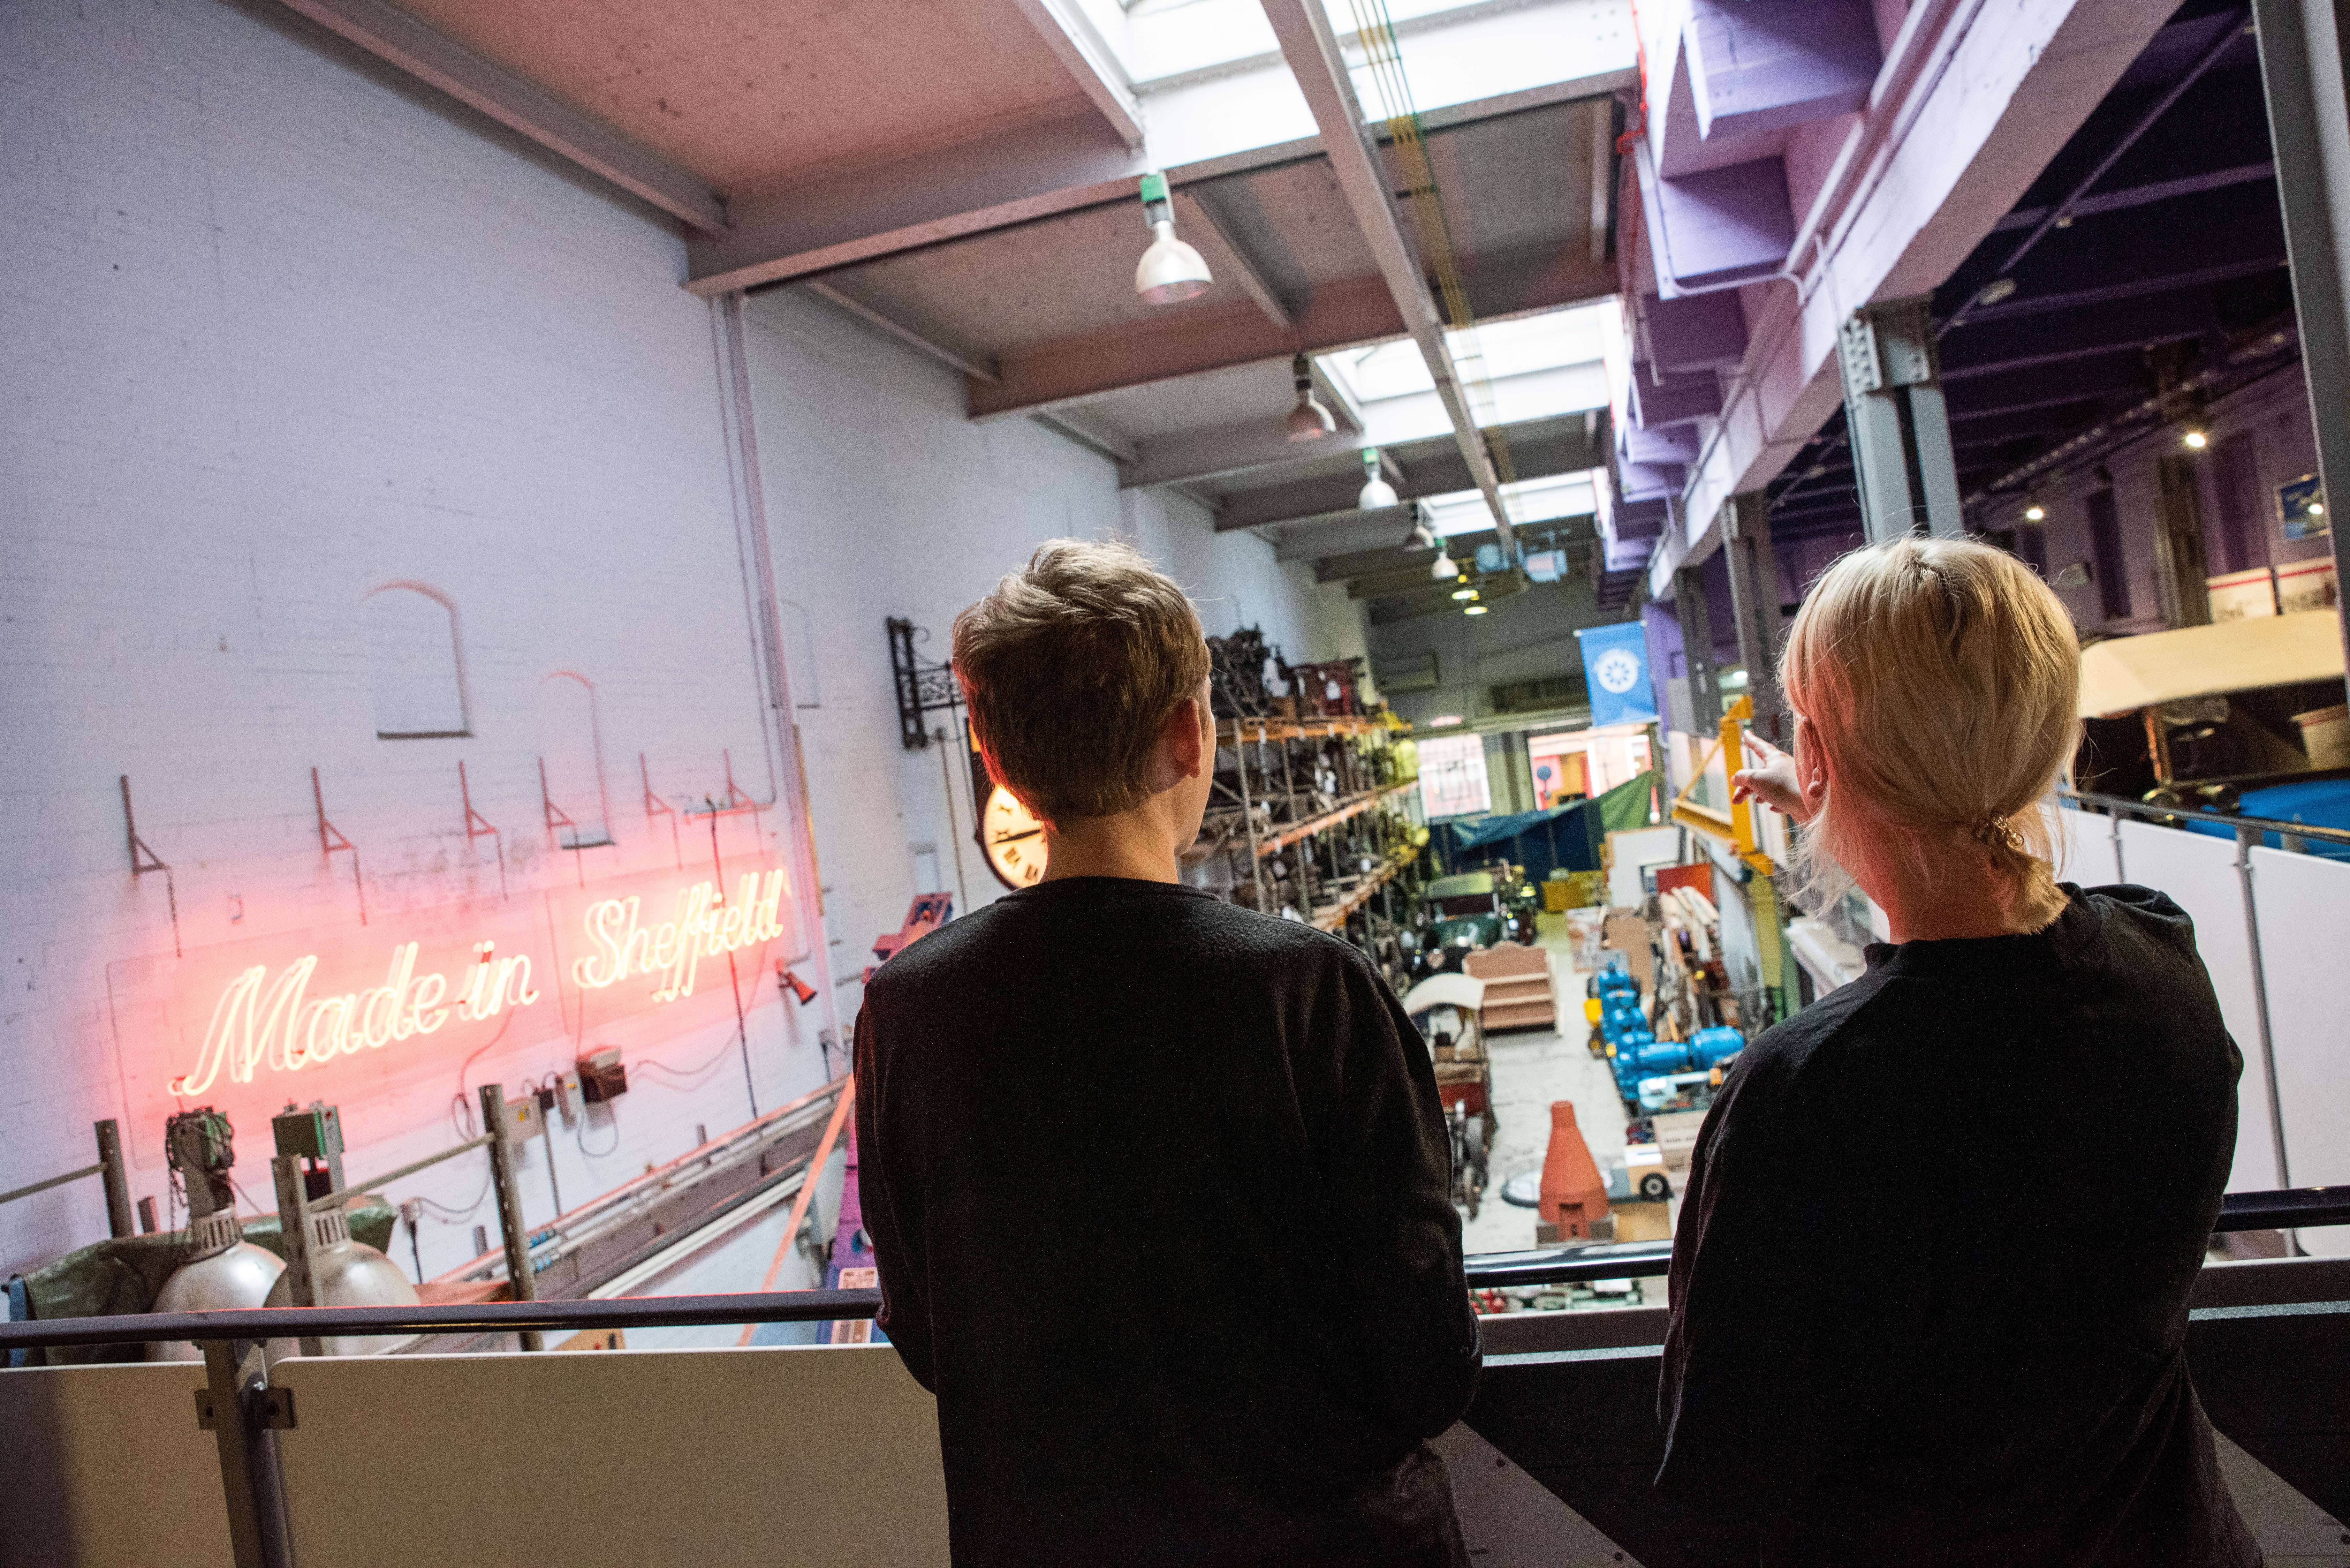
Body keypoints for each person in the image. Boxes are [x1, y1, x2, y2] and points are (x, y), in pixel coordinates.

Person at [855, 539, 1482, 1568]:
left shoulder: (907, 1008)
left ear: (998, 762)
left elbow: (930, 1337)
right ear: (1192, 736)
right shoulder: (1309, 988)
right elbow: (1428, 1362)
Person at [1656, 534, 2260, 1564]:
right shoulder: (2160, 956)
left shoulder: (1811, 1090)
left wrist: (1856, 804)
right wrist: (1851, 801)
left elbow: (1722, 1473)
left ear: (1820, 757)